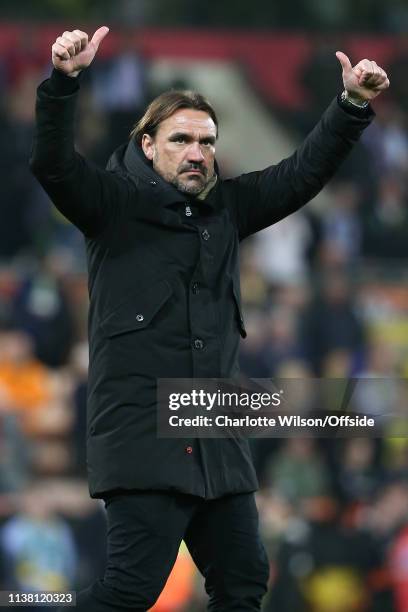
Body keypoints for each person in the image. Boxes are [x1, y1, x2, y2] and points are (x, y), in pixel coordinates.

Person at [29, 26, 389, 611]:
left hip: (216, 431)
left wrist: (350, 106)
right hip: (145, 434)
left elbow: (300, 175)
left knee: (245, 582)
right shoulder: (112, 205)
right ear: (148, 145)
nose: (197, 152)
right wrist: (63, 83)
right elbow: (53, 165)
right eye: (181, 140)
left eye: (206, 141)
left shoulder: (226, 208)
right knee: (130, 591)